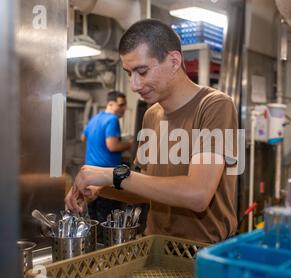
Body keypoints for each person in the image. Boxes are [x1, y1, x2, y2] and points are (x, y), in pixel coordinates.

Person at [66, 19, 239, 244]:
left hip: (202, 252)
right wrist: (103, 188)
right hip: (156, 246)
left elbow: (198, 195)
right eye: (129, 73)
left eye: (142, 71)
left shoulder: (214, 105)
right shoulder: (151, 115)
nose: (134, 85)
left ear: (174, 61)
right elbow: (148, 188)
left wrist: (111, 175)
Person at [81, 90, 132, 222]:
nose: (124, 108)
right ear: (110, 103)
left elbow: (83, 138)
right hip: (106, 176)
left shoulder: (95, 118)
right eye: (121, 105)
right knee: (108, 218)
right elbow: (112, 146)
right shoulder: (113, 119)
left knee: (93, 219)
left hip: (90, 174)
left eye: (124, 105)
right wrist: (130, 144)